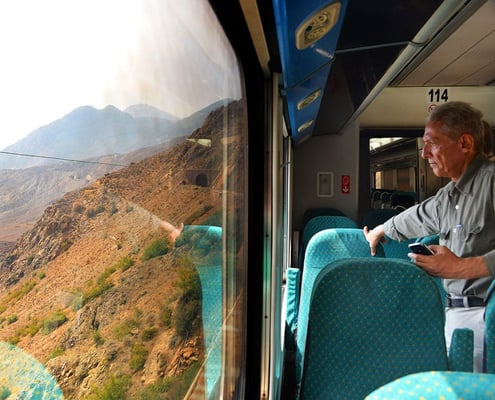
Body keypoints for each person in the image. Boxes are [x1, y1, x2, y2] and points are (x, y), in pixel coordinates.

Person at [363, 101, 495, 372]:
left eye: (432, 143)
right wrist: (380, 231)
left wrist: (461, 267)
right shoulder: (449, 195)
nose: (425, 154)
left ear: (465, 143)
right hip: (455, 314)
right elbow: (415, 217)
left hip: (487, 316)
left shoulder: (491, 182)